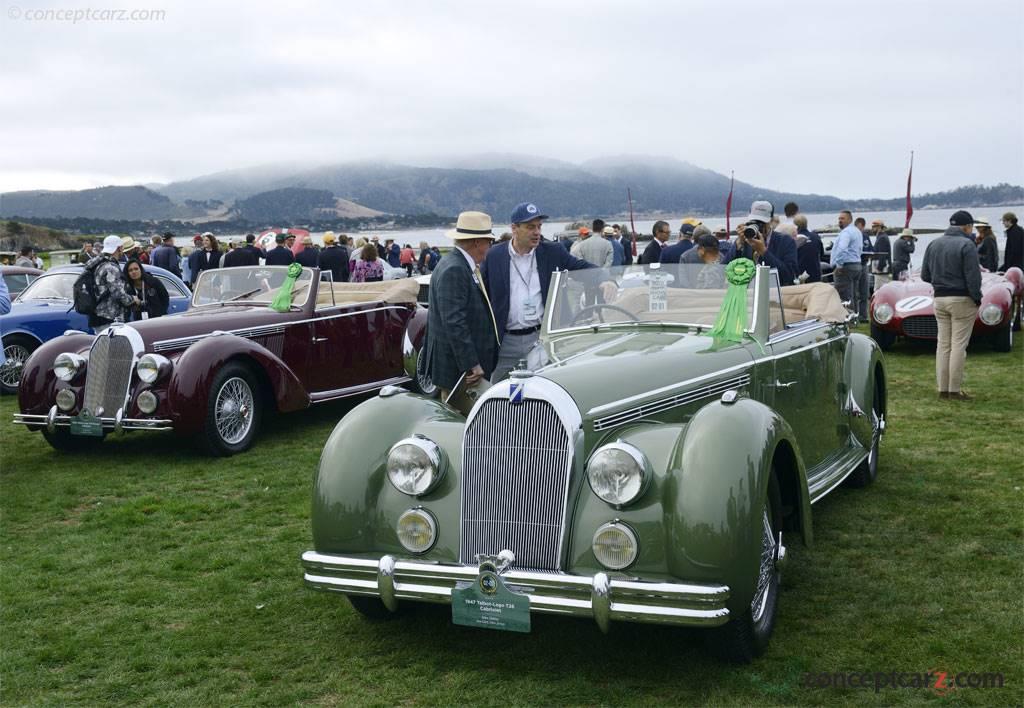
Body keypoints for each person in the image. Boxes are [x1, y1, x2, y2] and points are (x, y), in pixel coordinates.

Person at [482, 201, 599, 383]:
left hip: (541, 340)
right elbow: (482, 297)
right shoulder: (494, 256)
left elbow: (580, 267)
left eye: (539, 226)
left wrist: (606, 279)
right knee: (495, 391)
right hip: (505, 342)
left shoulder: (552, 252)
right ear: (514, 228)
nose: (537, 232)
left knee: (543, 389)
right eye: (530, 227)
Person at [422, 211, 500, 397]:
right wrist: (471, 363)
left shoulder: (456, 263)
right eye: (489, 242)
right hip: (459, 371)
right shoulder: (455, 269)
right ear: (477, 242)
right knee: (461, 422)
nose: (490, 247)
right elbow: (454, 322)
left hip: (459, 368)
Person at [921, 210, 983, 401]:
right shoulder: (967, 244)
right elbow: (973, 276)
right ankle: (954, 390)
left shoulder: (934, 244)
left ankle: (943, 389)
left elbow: (925, 275)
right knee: (958, 346)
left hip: (939, 298)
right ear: (967, 226)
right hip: (961, 298)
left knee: (943, 345)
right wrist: (977, 297)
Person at [727, 201, 799, 286]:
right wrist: (738, 244)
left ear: (771, 221)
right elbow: (724, 268)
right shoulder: (746, 240)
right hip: (748, 293)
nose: (758, 226)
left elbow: (789, 275)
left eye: (762, 223)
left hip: (775, 293)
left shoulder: (785, 241)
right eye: (755, 222)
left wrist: (764, 252)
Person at [86, 235, 139, 333]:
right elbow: (118, 294)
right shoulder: (111, 267)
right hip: (109, 318)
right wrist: (133, 299)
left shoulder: (97, 264)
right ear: (119, 248)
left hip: (97, 315)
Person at [829, 210, 864, 314]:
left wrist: (839, 264)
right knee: (853, 294)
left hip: (845, 266)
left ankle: (846, 318)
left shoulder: (846, 232)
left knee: (843, 295)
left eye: (842, 218)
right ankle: (854, 316)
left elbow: (842, 249)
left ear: (850, 219)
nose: (840, 221)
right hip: (856, 264)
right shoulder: (857, 231)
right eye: (839, 219)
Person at [870, 220, 892, 287]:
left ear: (879, 227)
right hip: (881, 270)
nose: (872, 229)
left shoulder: (882, 238)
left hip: (881, 271)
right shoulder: (881, 237)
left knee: (879, 289)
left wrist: (880, 268)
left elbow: (882, 254)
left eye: (874, 227)